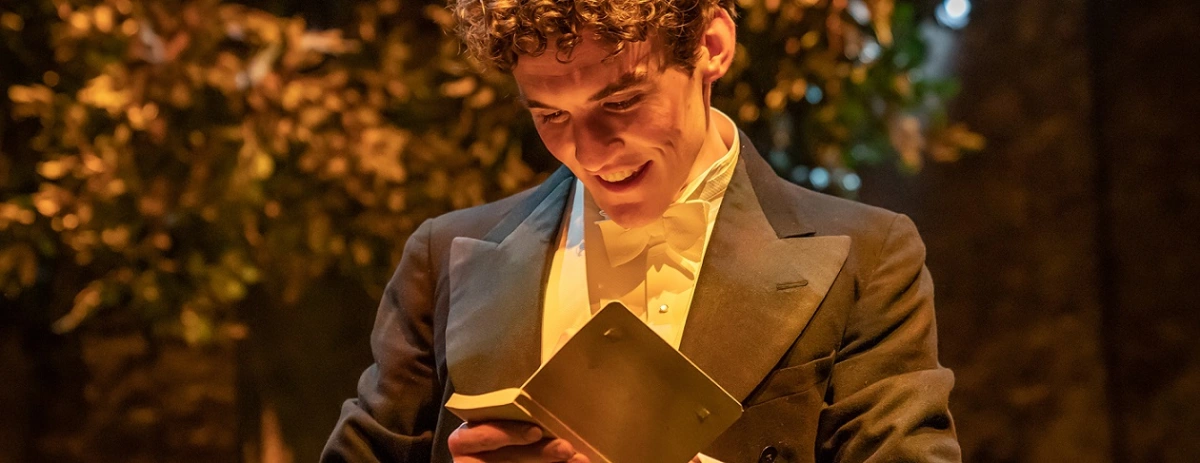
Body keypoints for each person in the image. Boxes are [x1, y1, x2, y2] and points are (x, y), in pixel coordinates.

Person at [322, 0, 961, 461]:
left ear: (712, 45)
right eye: (549, 115)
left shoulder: (870, 256)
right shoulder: (444, 254)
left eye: (622, 102)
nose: (589, 152)